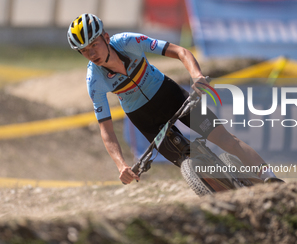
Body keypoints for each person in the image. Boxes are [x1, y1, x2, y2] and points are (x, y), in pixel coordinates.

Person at [67, 13, 283, 185]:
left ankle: (269, 177)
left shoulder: (128, 42)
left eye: (94, 44)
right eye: (84, 51)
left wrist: (197, 76)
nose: (91, 53)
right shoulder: (94, 81)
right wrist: (121, 165)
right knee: (190, 164)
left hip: (170, 95)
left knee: (226, 140)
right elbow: (106, 130)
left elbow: (181, 51)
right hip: (144, 118)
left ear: (105, 37)